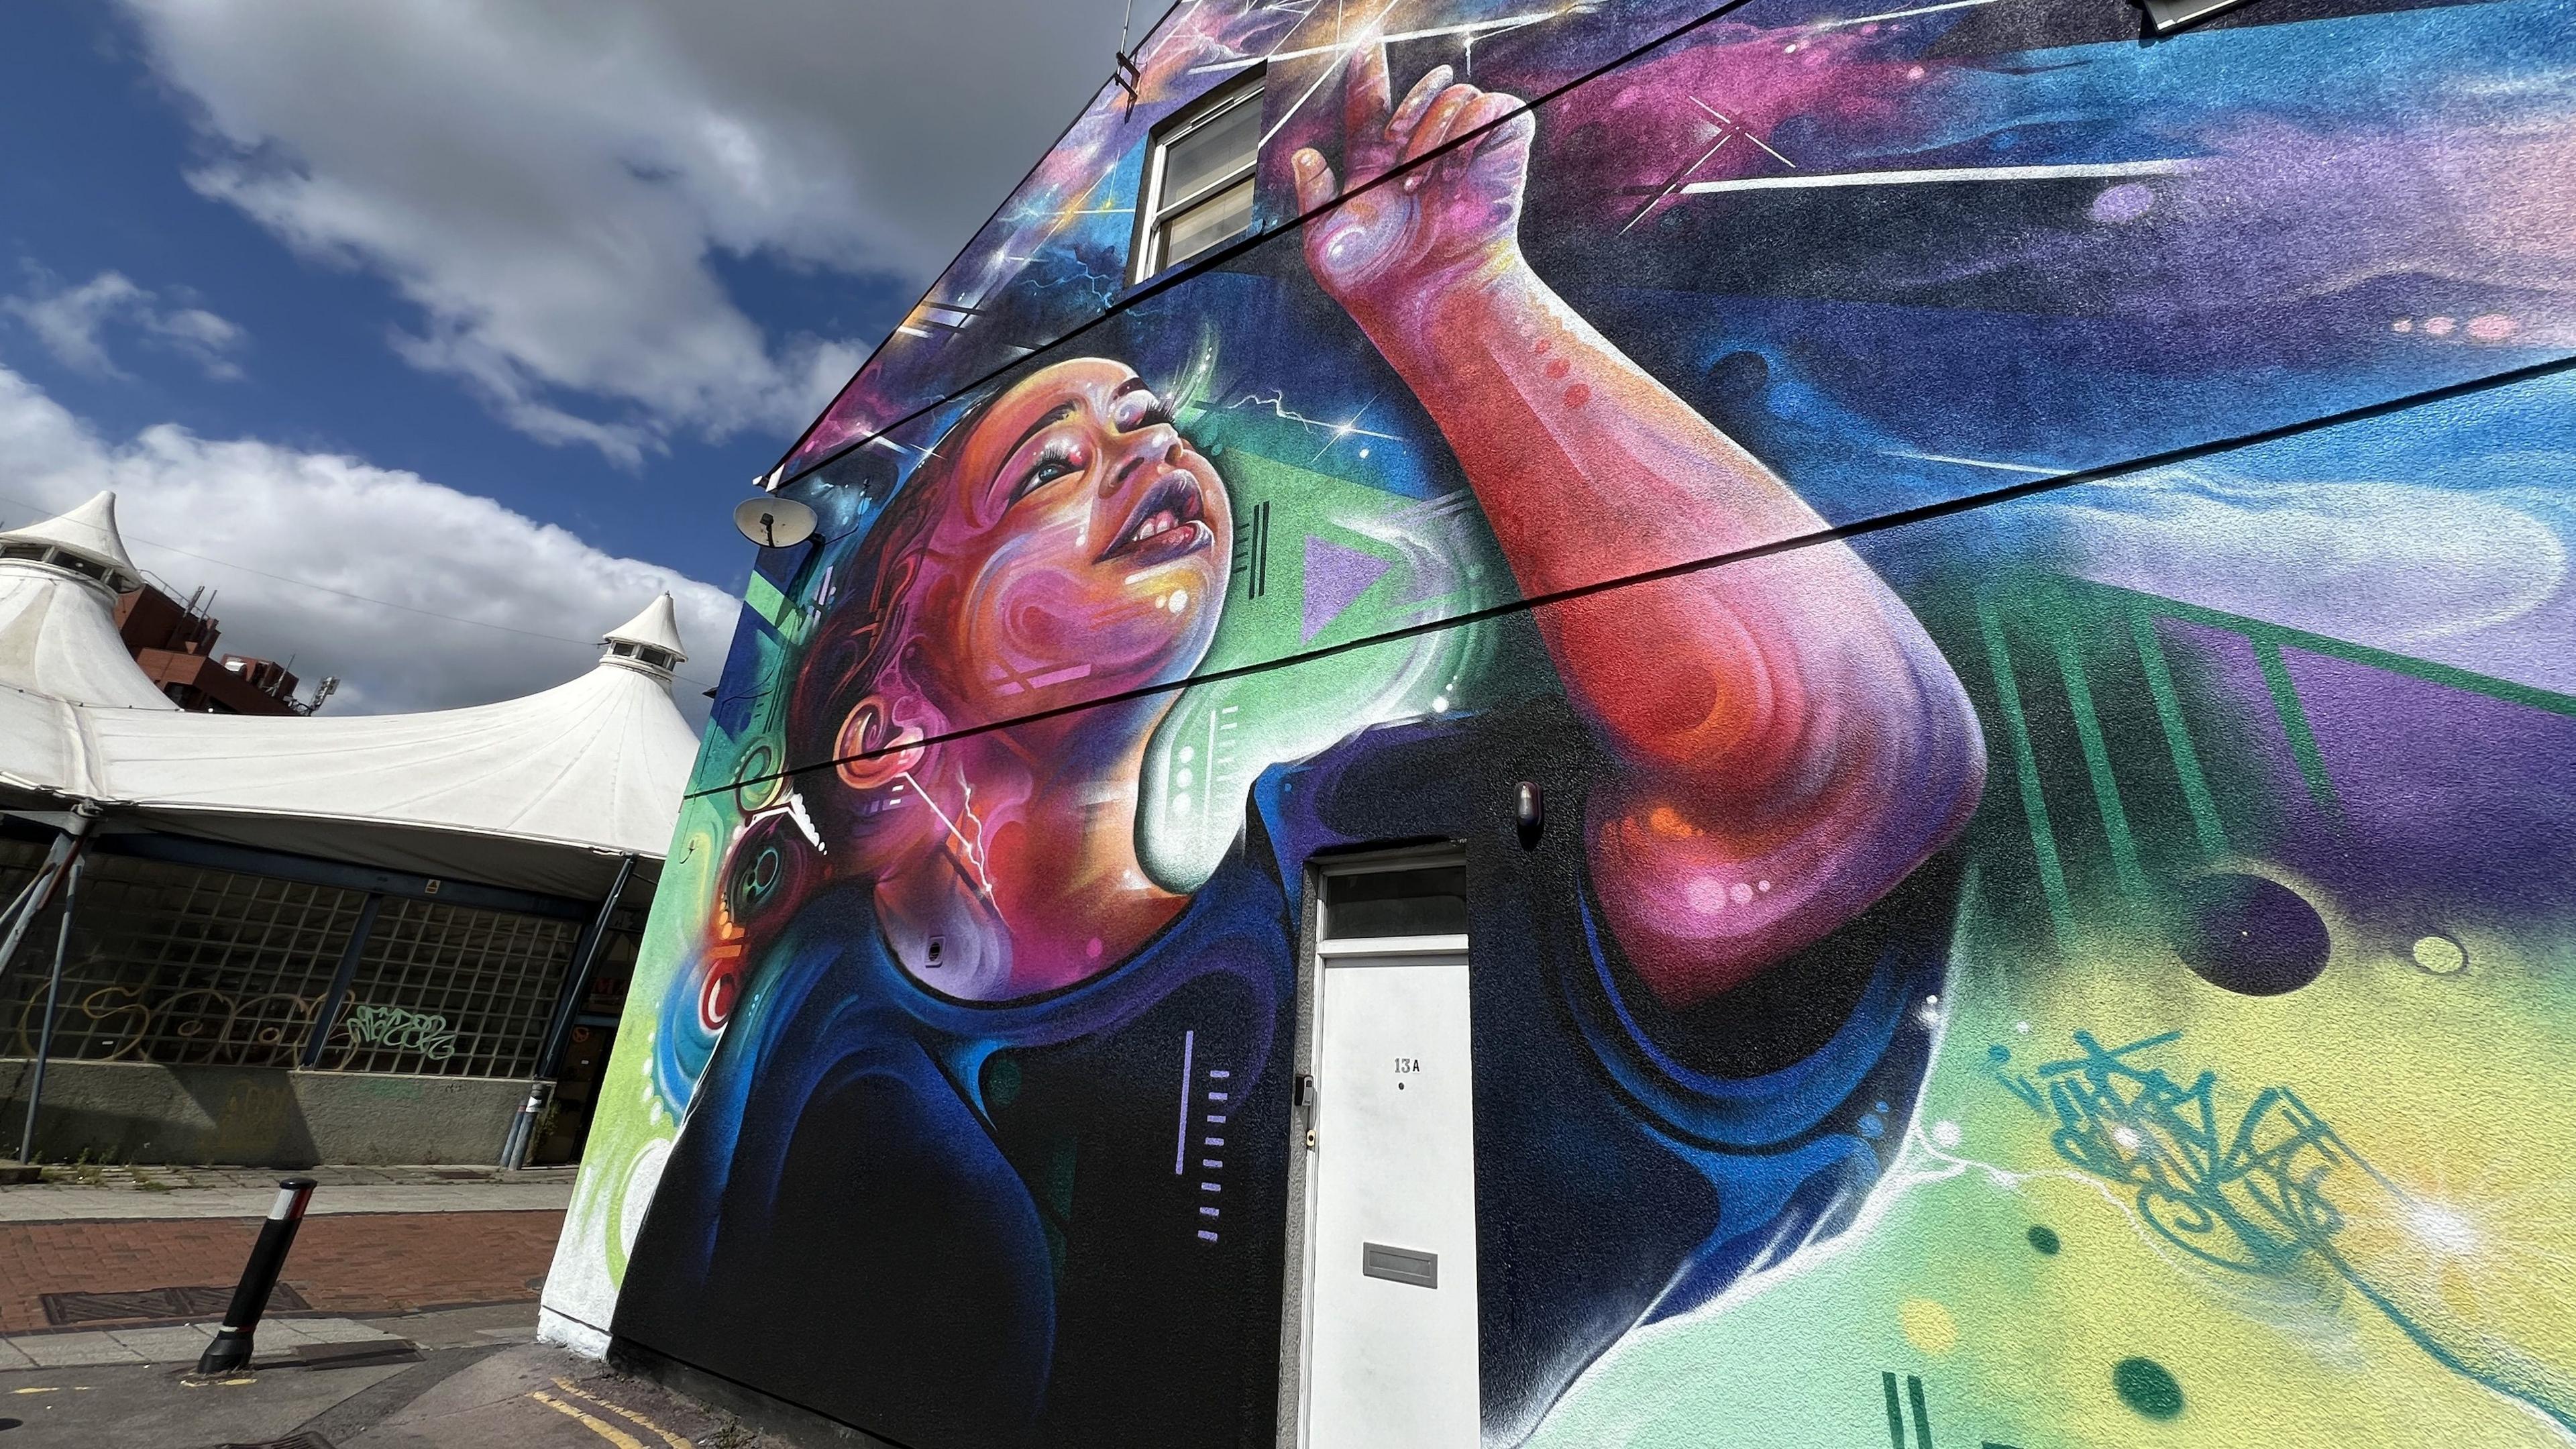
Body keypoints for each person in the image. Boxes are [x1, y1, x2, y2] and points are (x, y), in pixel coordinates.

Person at [615, 44, 1985, 1449]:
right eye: (1049, 465)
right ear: (882, 732)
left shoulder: (1369, 850)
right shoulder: (818, 988)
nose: (1148, 445)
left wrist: (1457, 300)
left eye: (1144, 417)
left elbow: (1846, 772)